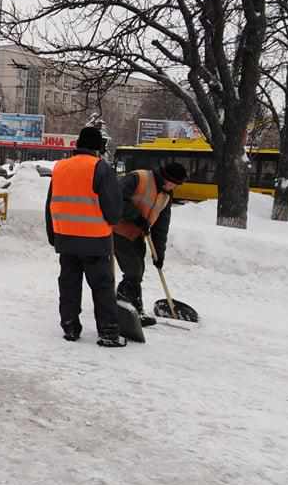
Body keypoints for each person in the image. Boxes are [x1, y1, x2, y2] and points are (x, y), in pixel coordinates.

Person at [46, 126, 125, 347]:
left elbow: (50, 203)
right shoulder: (101, 168)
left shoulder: (60, 167)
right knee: (101, 286)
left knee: (69, 284)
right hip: (95, 240)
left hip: (66, 238)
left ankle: (70, 326)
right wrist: (114, 220)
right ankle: (108, 332)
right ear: (98, 147)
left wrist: (53, 234)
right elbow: (112, 207)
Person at [113, 162, 188, 319]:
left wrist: (159, 254)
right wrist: (136, 217)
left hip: (137, 235)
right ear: (166, 178)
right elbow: (115, 199)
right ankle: (122, 305)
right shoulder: (139, 178)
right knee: (133, 272)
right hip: (118, 230)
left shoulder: (166, 195)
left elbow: (161, 227)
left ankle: (134, 309)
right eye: (173, 183)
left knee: (137, 273)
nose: (174, 187)